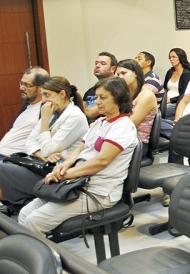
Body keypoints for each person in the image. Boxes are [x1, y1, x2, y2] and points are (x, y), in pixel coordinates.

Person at [18, 77, 138, 236]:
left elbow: (102, 160)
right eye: (97, 97)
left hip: (98, 192)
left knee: (34, 221)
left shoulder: (123, 126)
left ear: (118, 98)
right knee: (24, 214)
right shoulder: (100, 122)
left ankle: (40, 259)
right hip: (77, 184)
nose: (98, 102)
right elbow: (79, 150)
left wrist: (65, 175)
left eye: (103, 97)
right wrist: (63, 166)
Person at [0, 75, 87, 206]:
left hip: (55, 173)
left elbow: (48, 149)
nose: (44, 100)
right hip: (40, 164)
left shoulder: (75, 117)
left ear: (62, 94)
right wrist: (43, 156)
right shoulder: (54, 112)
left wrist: (45, 120)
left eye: (47, 95)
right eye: (43, 95)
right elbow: (30, 142)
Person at [0, 67, 49, 157]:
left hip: (16, 159)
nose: (21, 88)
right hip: (3, 155)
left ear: (41, 88)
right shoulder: (26, 106)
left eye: (27, 85)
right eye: (21, 83)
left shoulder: (46, 109)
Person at [116, 59, 158, 151]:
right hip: (121, 138)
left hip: (137, 143)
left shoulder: (147, 95)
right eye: (118, 74)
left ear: (135, 73)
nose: (120, 77)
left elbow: (129, 124)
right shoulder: (124, 94)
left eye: (124, 73)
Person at [83, 52, 117, 120]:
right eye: (96, 63)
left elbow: (90, 113)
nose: (97, 66)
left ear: (112, 69)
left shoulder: (117, 89)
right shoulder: (89, 91)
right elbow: (83, 113)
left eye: (103, 63)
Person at [164, 47, 190, 118]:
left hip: (176, 102)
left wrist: (170, 100)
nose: (171, 59)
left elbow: (184, 94)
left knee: (163, 110)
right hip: (165, 101)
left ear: (180, 58)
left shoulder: (186, 74)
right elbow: (164, 88)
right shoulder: (170, 72)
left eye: (174, 57)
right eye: (170, 57)